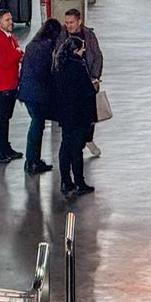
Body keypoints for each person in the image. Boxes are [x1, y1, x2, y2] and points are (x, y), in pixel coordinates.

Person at [53, 36, 97, 196]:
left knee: (65, 147)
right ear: (75, 50)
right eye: (82, 48)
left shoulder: (60, 65)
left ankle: (66, 181)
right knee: (77, 149)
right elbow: (88, 92)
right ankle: (80, 182)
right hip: (79, 114)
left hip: (66, 114)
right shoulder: (78, 67)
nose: (84, 51)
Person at [56, 9, 103, 156]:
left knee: (90, 114)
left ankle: (88, 139)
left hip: (88, 81)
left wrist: (94, 77)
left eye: (71, 22)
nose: (69, 25)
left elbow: (97, 56)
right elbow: (57, 55)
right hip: (70, 84)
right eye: (67, 22)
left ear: (79, 21)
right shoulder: (62, 35)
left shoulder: (89, 35)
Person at [17, 18, 62, 174]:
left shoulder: (32, 45)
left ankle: (32, 160)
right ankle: (32, 161)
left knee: (37, 125)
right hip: (37, 94)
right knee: (37, 126)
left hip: (26, 91)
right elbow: (45, 74)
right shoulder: (46, 48)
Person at [0, 9, 24, 164]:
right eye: (7, 20)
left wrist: (17, 53)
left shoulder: (10, 38)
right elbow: (5, 62)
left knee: (5, 118)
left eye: (11, 19)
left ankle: (5, 147)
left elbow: (17, 53)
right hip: (2, 86)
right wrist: (17, 53)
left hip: (10, 84)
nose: (11, 22)